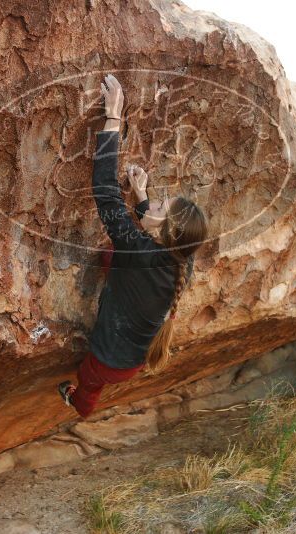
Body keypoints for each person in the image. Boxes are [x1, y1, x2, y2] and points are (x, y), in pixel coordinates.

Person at [57, 73, 208, 418]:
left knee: (87, 383)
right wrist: (141, 197)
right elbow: (150, 237)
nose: (154, 203)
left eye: (158, 208)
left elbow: (107, 193)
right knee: (114, 253)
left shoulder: (140, 252)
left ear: (161, 232)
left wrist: (114, 118)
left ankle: (77, 403)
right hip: (135, 359)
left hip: (105, 361)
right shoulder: (184, 258)